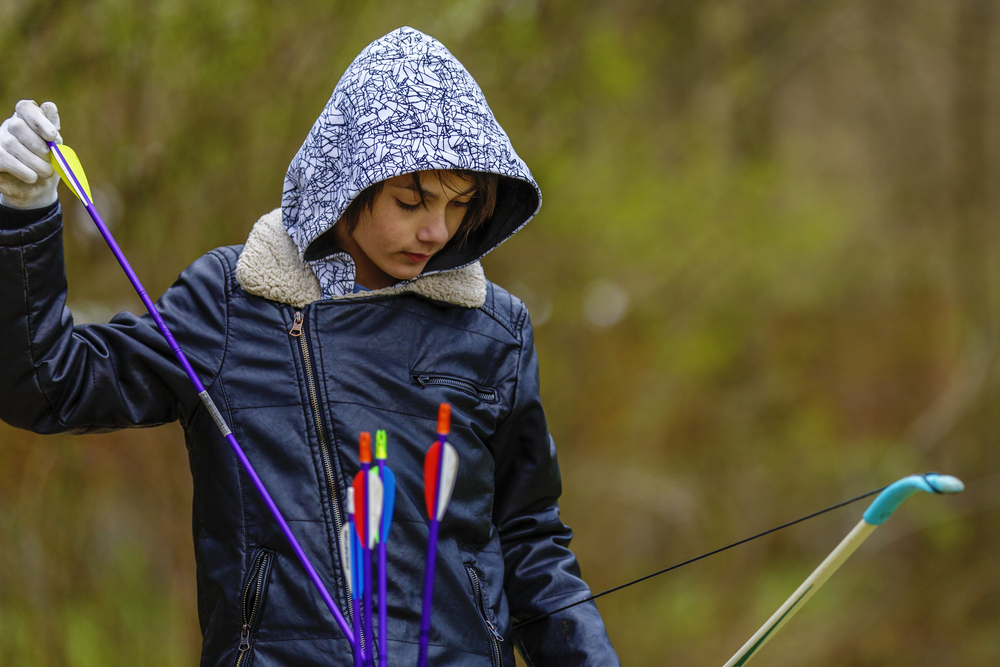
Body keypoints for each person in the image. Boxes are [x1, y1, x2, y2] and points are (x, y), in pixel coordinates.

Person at [0, 27, 620, 666]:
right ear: (347, 183)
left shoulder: (497, 330)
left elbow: (530, 540)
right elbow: (49, 386)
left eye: (460, 206)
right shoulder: (230, 302)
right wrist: (23, 215)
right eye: (412, 201)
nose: (437, 229)